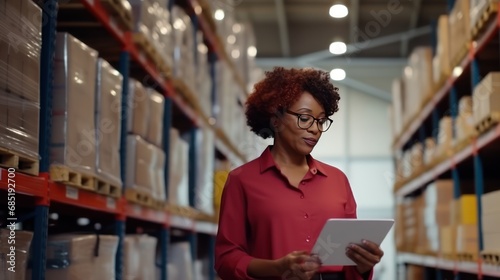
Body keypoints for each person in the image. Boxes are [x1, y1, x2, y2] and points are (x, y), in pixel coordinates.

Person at [214, 67, 384, 280]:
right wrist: (276, 268)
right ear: (275, 119)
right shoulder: (242, 181)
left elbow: (349, 263)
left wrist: (363, 264)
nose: (315, 129)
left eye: (321, 121)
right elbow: (226, 259)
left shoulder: (337, 180)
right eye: (305, 118)